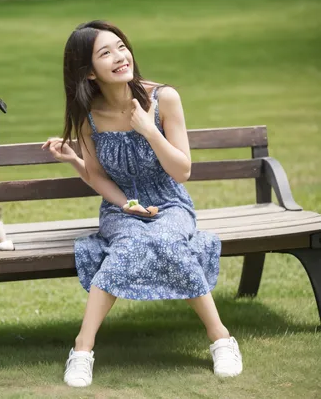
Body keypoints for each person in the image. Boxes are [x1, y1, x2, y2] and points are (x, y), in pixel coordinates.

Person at [42, 20, 243, 387]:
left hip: (170, 203)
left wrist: (149, 130)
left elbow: (182, 171)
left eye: (121, 46)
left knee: (166, 239)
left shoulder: (164, 98)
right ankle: (82, 351)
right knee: (131, 242)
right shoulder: (88, 116)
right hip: (122, 208)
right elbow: (98, 175)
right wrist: (126, 203)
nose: (121, 57)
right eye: (106, 53)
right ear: (88, 72)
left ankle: (222, 340)